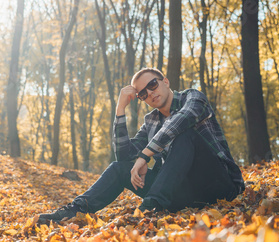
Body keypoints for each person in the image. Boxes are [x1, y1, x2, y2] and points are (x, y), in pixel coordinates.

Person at [38, 68, 244, 224]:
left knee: (185, 134)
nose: (150, 93)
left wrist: (145, 155)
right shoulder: (151, 121)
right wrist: (120, 110)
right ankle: (75, 210)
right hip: (181, 195)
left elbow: (180, 122)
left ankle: (148, 208)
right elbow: (123, 156)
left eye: (153, 85)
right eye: (143, 94)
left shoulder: (193, 98)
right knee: (119, 169)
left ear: (165, 81)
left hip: (219, 186)